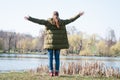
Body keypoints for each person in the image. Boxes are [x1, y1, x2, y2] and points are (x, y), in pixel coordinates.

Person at [24, 11, 84, 77]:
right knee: (57, 59)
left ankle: (51, 72)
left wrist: (30, 18)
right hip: (58, 45)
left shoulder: (48, 22)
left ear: (53, 15)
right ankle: (57, 73)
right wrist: (78, 15)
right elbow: (71, 20)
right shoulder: (62, 22)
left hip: (50, 44)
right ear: (58, 15)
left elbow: (39, 21)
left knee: (50, 59)